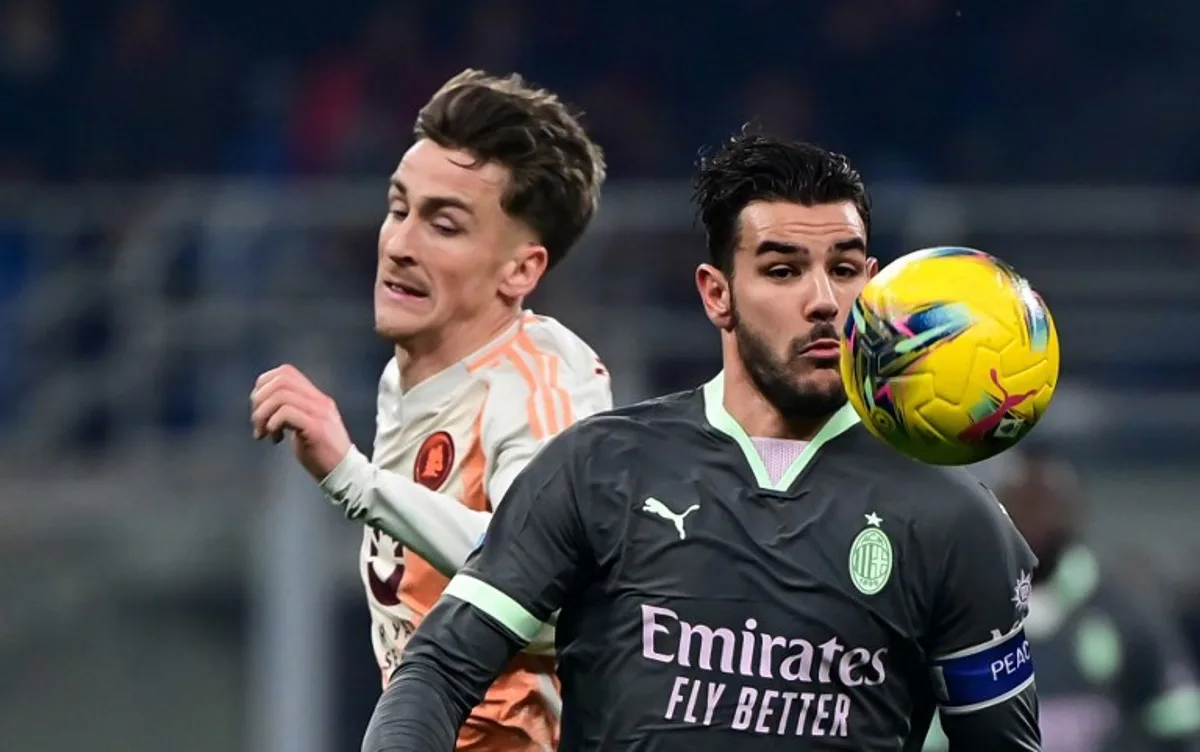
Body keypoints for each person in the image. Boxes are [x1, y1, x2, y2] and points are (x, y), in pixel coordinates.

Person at [360, 130, 1041, 751]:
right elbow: (440, 668)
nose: (824, 302)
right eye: (782, 270)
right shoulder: (599, 467)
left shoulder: (954, 517)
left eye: (844, 268)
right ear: (717, 295)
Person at [248, 69, 612, 752]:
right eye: (398, 208)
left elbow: (553, 596)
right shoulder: (411, 376)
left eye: (443, 224)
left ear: (521, 271)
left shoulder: (539, 387)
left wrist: (353, 479)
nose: (400, 244)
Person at [928, 446, 1200, 751]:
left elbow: (1178, 719)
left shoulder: (1126, 612)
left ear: (1073, 511)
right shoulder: (953, 618)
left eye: (1046, 503)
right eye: (1022, 502)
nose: (1034, 519)